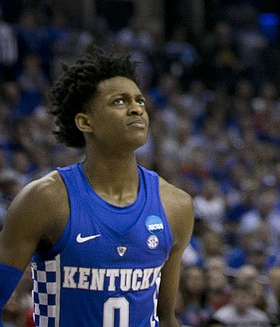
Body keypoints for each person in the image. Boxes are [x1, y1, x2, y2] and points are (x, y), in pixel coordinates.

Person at [0, 45, 194, 326]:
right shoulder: (45, 199)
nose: (136, 109)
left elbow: (165, 318)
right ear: (85, 122)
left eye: (140, 101)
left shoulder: (176, 205)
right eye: (119, 102)